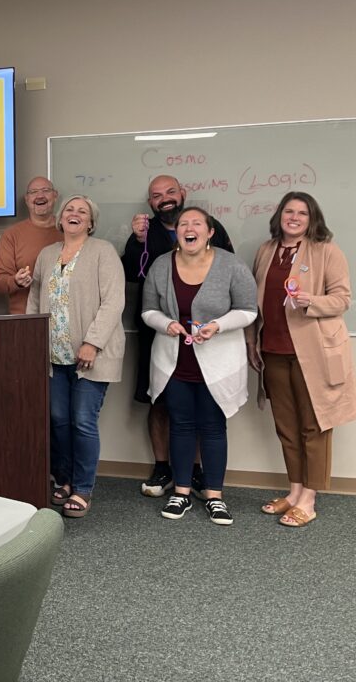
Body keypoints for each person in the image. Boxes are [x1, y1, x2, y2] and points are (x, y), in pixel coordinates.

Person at [246, 192, 356, 527]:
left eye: (302, 213)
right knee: (286, 427)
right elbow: (256, 304)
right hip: (273, 351)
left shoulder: (326, 250)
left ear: (312, 220)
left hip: (314, 354)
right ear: (279, 215)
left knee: (314, 425)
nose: (294, 217)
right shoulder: (266, 251)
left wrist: (313, 301)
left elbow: (343, 298)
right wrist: (252, 342)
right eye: (289, 211)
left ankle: (309, 498)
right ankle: (294, 491)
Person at [142, 207, 257, 525]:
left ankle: (214, 496)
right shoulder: (162, 265)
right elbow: (148, 310)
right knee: (180, 424)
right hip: (174, 360)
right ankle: (181, 492)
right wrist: (166, 324)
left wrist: (218, 325)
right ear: (176, 232)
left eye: (196, 224)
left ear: (209, 232)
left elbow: (249, 310)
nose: (188, 228)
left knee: (212, 427)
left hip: (218, 364)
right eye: (182, 224)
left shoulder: (231, 265)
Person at [121, 175, 233, 498]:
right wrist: (136, 240)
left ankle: (194, 470)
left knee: (200, 403)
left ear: (183, 194)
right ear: (150, 202)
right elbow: (130, 273)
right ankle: (163, 467)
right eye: (157, 195)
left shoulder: (210, 227)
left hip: (205, 337)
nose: (165, 199)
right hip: (156, 335)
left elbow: (229, 269)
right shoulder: (146, 232)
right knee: (159, 400)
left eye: (170, 192)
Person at [27, 195, 125, 518]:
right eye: (69, 209)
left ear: (91, 222)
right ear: (60, 218)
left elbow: (114, 301)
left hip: (90, 357)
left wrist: (93, 343)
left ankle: (83, 489)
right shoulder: (47, 255)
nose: (75, 214)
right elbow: (35, 297)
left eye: (82, 211)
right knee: (58, 420)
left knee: (83, 421)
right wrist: (32, 341)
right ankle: (65, 480)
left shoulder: (103, 252)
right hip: (53, 356)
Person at [0, 176, 63, 314]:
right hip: (25, 319)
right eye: (33, 192)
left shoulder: (68, 231)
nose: (40, 195)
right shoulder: (12, 235)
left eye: (45, 190)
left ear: (55, 195)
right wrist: (16, 281)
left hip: (64, 318)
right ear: (26, 199)